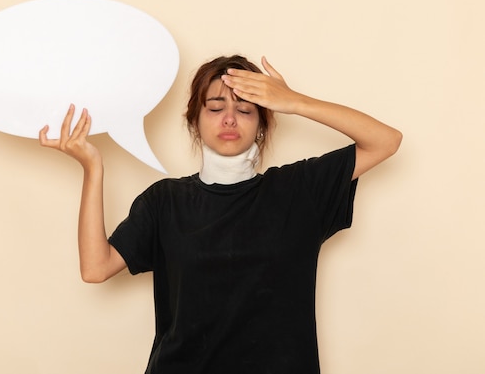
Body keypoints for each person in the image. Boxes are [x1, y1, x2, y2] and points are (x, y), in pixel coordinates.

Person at [39, 55, 402, 374]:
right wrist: (92, 167)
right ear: (194, 121)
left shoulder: (299, 189)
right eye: (215, 108)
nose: (229, 118)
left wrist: (295, 102)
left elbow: (386, 140)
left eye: (245, 109)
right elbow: (95, 267)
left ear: (262, 126)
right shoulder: (164, 201)